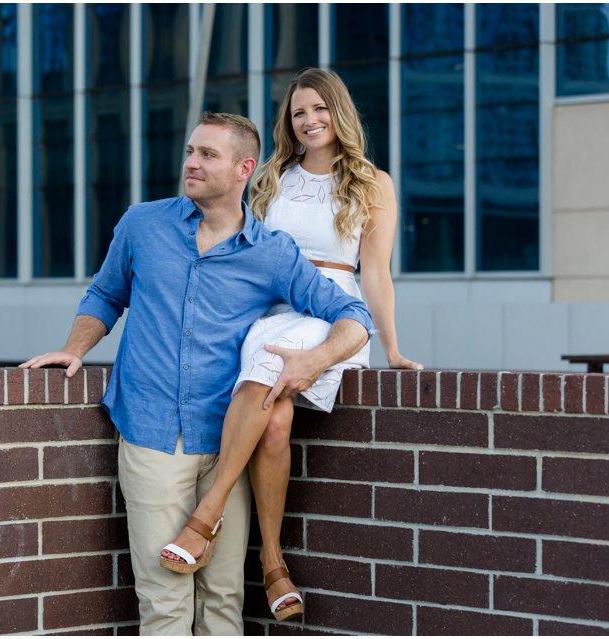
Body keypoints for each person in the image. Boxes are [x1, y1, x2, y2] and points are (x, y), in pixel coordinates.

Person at [21, 112, 373, 635]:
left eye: (208, 155)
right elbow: (106, 293)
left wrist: (315, 360)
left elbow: (354, 316)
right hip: (151, 435)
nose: (191, 162)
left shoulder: (271, 253)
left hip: (227, 446)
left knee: (224, 600)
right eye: (190, 151)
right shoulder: (142, 224)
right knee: (164, 601)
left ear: (243, 169)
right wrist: (75, 348)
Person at [159, 68, 423, 622]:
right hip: (274, 311)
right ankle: (273, 563)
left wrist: (394, 349)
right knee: (274, 420)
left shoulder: (373, 182)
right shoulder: (273, 175)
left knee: (263, 379)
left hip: (332, 314)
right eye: (299, 112)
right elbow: (248, 252)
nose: (309, 121)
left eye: (320, 109)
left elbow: (375, 273)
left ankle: (206, 514)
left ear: (339, 112)